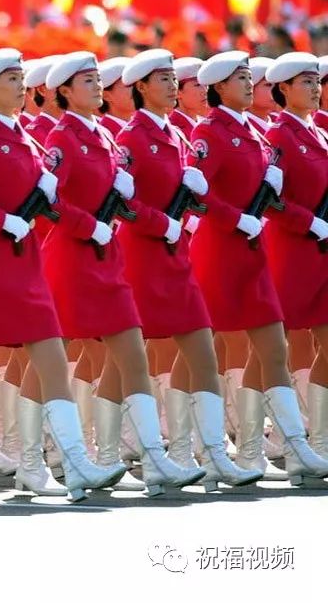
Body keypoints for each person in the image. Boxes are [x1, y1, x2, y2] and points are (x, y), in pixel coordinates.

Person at [0, 49, 125, 502]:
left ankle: (74, 464)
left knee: (53, 358)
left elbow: (48, 201)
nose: (21, 85)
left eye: (22, 77)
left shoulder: (23, 137)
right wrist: (1, 219)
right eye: (11, 78)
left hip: (24, 264)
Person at [42, 51, 205, 495]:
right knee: (48, 364)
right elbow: (51, 202)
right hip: (73, 258)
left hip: (106, 257)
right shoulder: (62, 138)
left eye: (98, 79)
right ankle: (38, 459)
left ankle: (145, 458)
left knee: (132, 355)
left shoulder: (102, 134)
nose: (97, 86)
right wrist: (89, 225)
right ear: (64, 91)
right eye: (88, 81)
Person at [116, 49, 262, 490]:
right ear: (142, 87)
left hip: (176, 253)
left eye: (172, 78)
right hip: (142, 255)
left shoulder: (176, 135)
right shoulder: (132, 137)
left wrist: (191, 209)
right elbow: (124, 202)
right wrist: (161, 222)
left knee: (202, 350)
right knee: (123, 360)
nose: (172, 86)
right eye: (162, 79)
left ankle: (207, 453)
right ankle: (125, 454)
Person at [188, 51, 328, 485]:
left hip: (264, 249)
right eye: (241, 78)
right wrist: (243, 219)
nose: (251, 85)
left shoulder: (265, 131)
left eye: (316, 82)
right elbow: (198, 192)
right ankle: (214, 449)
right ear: (219, 86)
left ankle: (298, 445)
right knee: (205, 351)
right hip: (233, 250)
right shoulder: (215, 131)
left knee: (271, 348)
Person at [263, 52, 328, 466]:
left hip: (320, 252)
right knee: (270, 350)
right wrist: (310, 222)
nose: (315, 88)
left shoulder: (317, 131)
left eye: (316, 81)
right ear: (284, 89)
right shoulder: (279, 135)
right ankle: (271, 441)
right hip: (292, 252)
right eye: (305, 82)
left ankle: (318, 443)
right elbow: (271, 201)